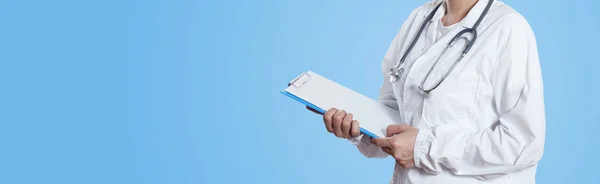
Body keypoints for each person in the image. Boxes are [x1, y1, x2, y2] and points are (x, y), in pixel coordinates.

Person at [309, 0, 546, 183]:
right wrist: (359, 129)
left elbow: (523, 144)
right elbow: (396, 111)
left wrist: (424, 147)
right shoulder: (420, 18)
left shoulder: (508, 29)